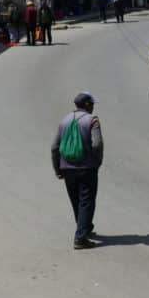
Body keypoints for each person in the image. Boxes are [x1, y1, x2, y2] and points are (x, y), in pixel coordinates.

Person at [51, 92, 103, 249]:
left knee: (76, 200)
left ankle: (84, 227)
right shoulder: (92, 120)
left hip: (67, 168)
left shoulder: (64, 121)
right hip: (87, 168)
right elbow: (97, 144)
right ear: (87, 105)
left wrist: (57, 168)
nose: (93, 106)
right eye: (92, 104)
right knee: (87, 201)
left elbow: (55, 147)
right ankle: (80, 238)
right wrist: (97, 161)